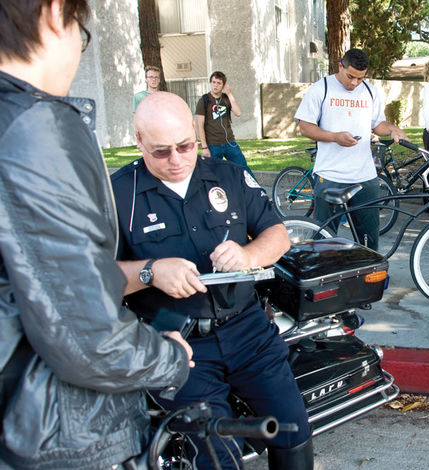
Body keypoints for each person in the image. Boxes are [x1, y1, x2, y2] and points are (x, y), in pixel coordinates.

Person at [0, 2, 193, 469]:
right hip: (50, 432)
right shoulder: (35, 130)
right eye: (80, 31)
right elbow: (87, 337)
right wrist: (168, 358)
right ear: (53, 13)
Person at [111, 91, 312, 470]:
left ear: (194, 130)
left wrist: (249, 255)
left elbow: (278, 236)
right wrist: (150, 272)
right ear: (139, 141)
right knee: (216, 454)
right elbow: (93, 279)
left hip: (248, 330)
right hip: (177, 343)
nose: (176, 160)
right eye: (160, 151)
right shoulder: (118, 195)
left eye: (185, 146)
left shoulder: (229, 176)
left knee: (293, 431)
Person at [294, 48, 408, 252]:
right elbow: (305, 127)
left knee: (368, 241)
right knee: (324, 240)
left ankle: (367, 280)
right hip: (330, 175)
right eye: (350, 76)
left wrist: (391, 128)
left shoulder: (370, 91)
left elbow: (377, 125)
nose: (354, 83)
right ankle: (324, 279)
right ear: (340, 65)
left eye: (360, 78)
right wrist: (334, 137)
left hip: (364, 176)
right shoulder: (321, 89)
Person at [195, 71, 249, 169]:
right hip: (213, 145)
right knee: (213, 173)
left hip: (230, 143)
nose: (215, 85)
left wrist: (229, 93)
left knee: (243, 170)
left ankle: (252, 185)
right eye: (213, 82)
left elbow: (238, 113)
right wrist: (204, 147)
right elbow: (200, 126)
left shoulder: (226, 98)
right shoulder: (204, 100)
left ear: (223, 85)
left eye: (219, 83)